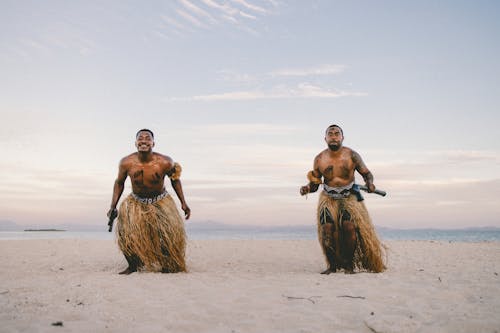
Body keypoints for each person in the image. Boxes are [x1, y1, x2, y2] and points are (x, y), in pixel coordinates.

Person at [300, 124, 385, 274]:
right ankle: (332, 266)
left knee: (349, 227)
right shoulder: (319, 159)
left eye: (336, 133)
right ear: (325, 138)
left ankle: (348, 265)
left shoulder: (352, 155)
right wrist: (307, 188)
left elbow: (367, 173)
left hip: (349, 196)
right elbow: (315, 184)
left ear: (342, 137)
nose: (333, 136)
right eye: (330, 133)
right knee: (327, 229)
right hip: (328, 197)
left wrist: (370, 183)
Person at [107, 129, 191, 274]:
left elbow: (175, 180)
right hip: (135, 202)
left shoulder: (165, 161)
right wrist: (113, 206)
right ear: (135, 143)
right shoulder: (126, 162)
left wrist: (183, 202)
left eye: (147, 138)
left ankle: (167, 264)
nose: (144, 140)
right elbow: (119, 182)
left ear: (153, 143)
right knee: (125, 234)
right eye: (140, 138)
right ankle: (133, 265)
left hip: (161, 201)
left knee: (167, 234)